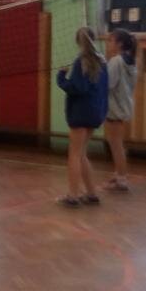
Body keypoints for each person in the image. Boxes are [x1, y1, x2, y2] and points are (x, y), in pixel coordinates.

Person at [56, 27, 109, 208]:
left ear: (78, 42)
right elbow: (103, 89)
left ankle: (72, 196)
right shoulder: (102, 62)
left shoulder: (81, 61)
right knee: (82, 153)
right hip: (95, 112)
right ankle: (92, 193)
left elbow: (78, 88)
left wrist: (61, 77)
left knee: (74, 154)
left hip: (81, 112)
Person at [103, 28, 138, 192]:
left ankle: (122, 178)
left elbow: (108, 84)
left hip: (115, 107)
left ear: (120, 44)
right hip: (123, 105)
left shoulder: (116, 61)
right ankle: (118, 173)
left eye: (111, 41)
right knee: (116, 143)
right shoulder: (130, 60)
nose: (108, 44)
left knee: (116, 144)